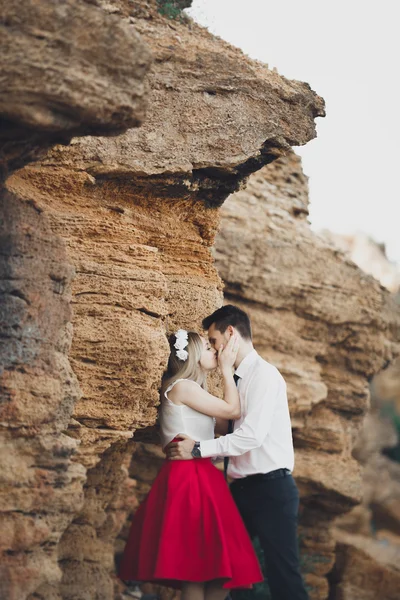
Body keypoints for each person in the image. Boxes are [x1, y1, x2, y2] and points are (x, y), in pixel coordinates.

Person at [166, 306, 309, 600]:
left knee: (284, 578)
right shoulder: (238, 380)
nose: (215, 349)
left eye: (214, 341)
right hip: (239, 491)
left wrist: (198, 449)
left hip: (272, 490)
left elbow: (250, 437)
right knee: (220, 569)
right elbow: (232, 435)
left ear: (231, 334)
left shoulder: (265, 376)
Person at [119, 329, 263, 600]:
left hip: (203, 475)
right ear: (194, 357)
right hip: (189, 477)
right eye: (208, 349)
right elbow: (233, 411)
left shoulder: (194, 391)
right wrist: (226, 369)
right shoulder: (182, 387)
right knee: (196, 567)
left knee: (217, 567)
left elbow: (229, 424)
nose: (215, 352)